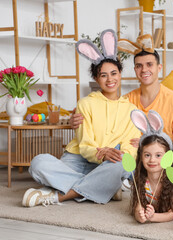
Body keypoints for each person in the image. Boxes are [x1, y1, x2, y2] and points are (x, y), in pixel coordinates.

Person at [22, 29, 140, 207]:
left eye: (114, 73)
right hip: (77, 159)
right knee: (38, 163)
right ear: (96, 78)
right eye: (103, 75)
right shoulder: (85, 103)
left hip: (108, 163)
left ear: (120, 74)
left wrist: (117, 154)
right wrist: (101, 153)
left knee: (124, 163)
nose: (110, 79)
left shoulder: (131, 109)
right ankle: (103, 187)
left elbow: (130, 146)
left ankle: (59, 196)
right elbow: (85, 146)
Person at [71, 34, 173, 169]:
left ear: (159, 68)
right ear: (135, 70)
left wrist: (158, 148)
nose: (144, 70)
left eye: (149, 64)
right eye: (139, 66)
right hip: (138, 157)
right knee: (120, 154)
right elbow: (104, 114)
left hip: (165, 155)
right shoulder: (127, 100)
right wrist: (75, 119)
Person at [129, 109, 173, 223]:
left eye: (158, 155)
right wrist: (140, 216)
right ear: (141, 156)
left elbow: (171, 214)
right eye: (147, 155)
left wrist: (153, 217)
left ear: (168, 157)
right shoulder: (141, 180)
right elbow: (138, 207)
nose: (152, 160)